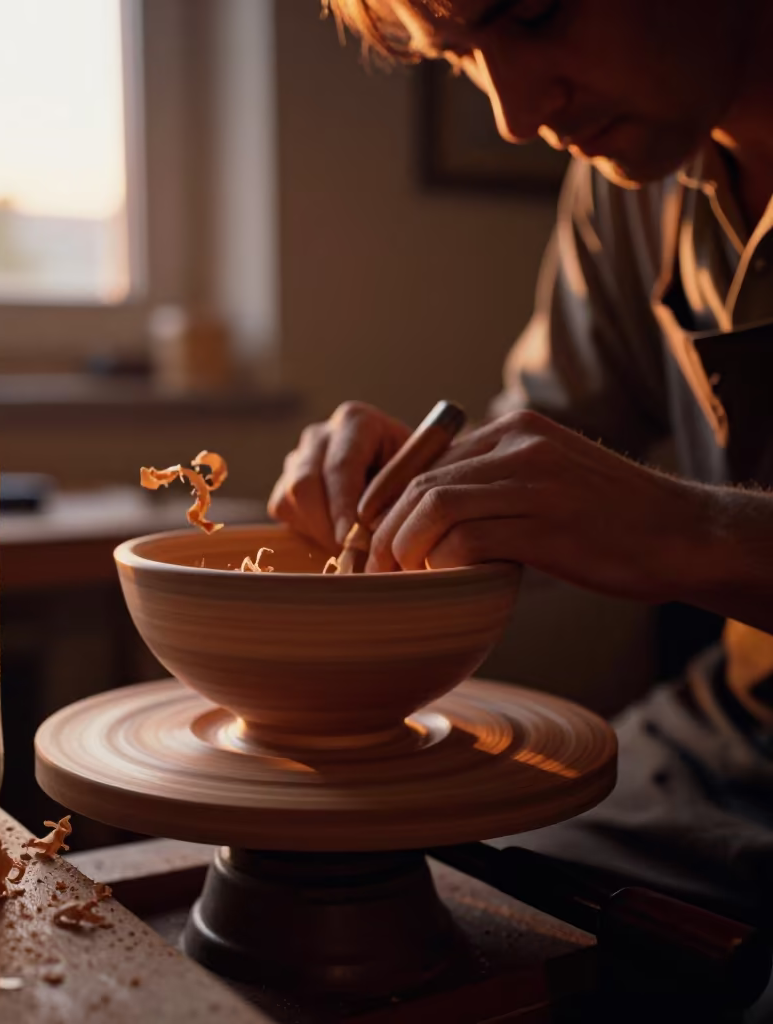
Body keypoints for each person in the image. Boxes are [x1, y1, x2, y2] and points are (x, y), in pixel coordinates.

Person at [269, 0, 773, 931]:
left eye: (538, 16)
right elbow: (546, 448)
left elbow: (643, 514)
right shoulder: (630, 182)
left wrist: (697, 531)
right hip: (736, 740)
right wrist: (434, 484)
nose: (513, 112)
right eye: (460, 54)